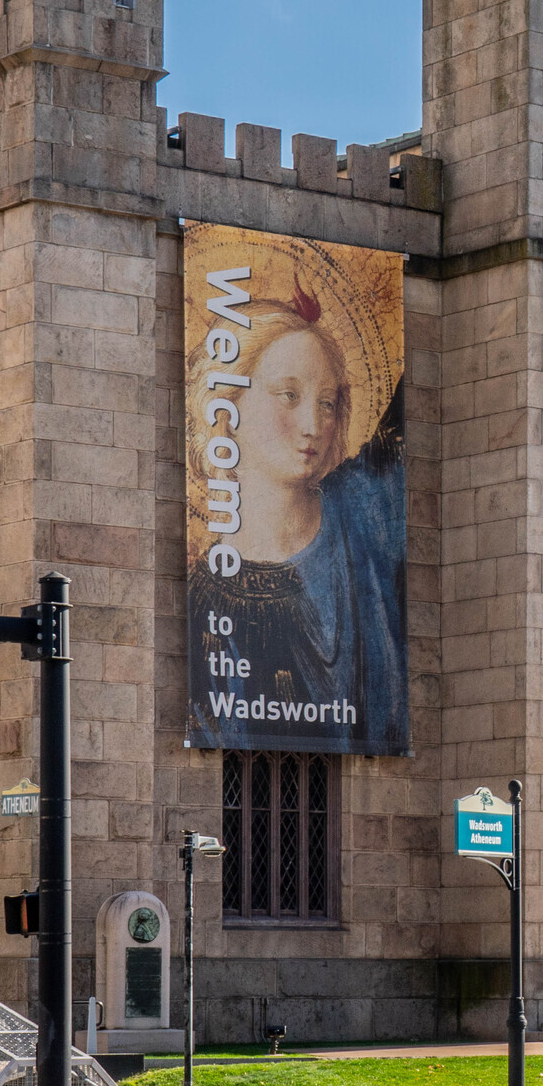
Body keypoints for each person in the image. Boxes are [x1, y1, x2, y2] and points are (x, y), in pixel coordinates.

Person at [191, 291, 408, 753]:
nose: (312, 423)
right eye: (289, 396)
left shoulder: (366, 506)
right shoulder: (206, 602)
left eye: (327, 403)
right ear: (229, 407)